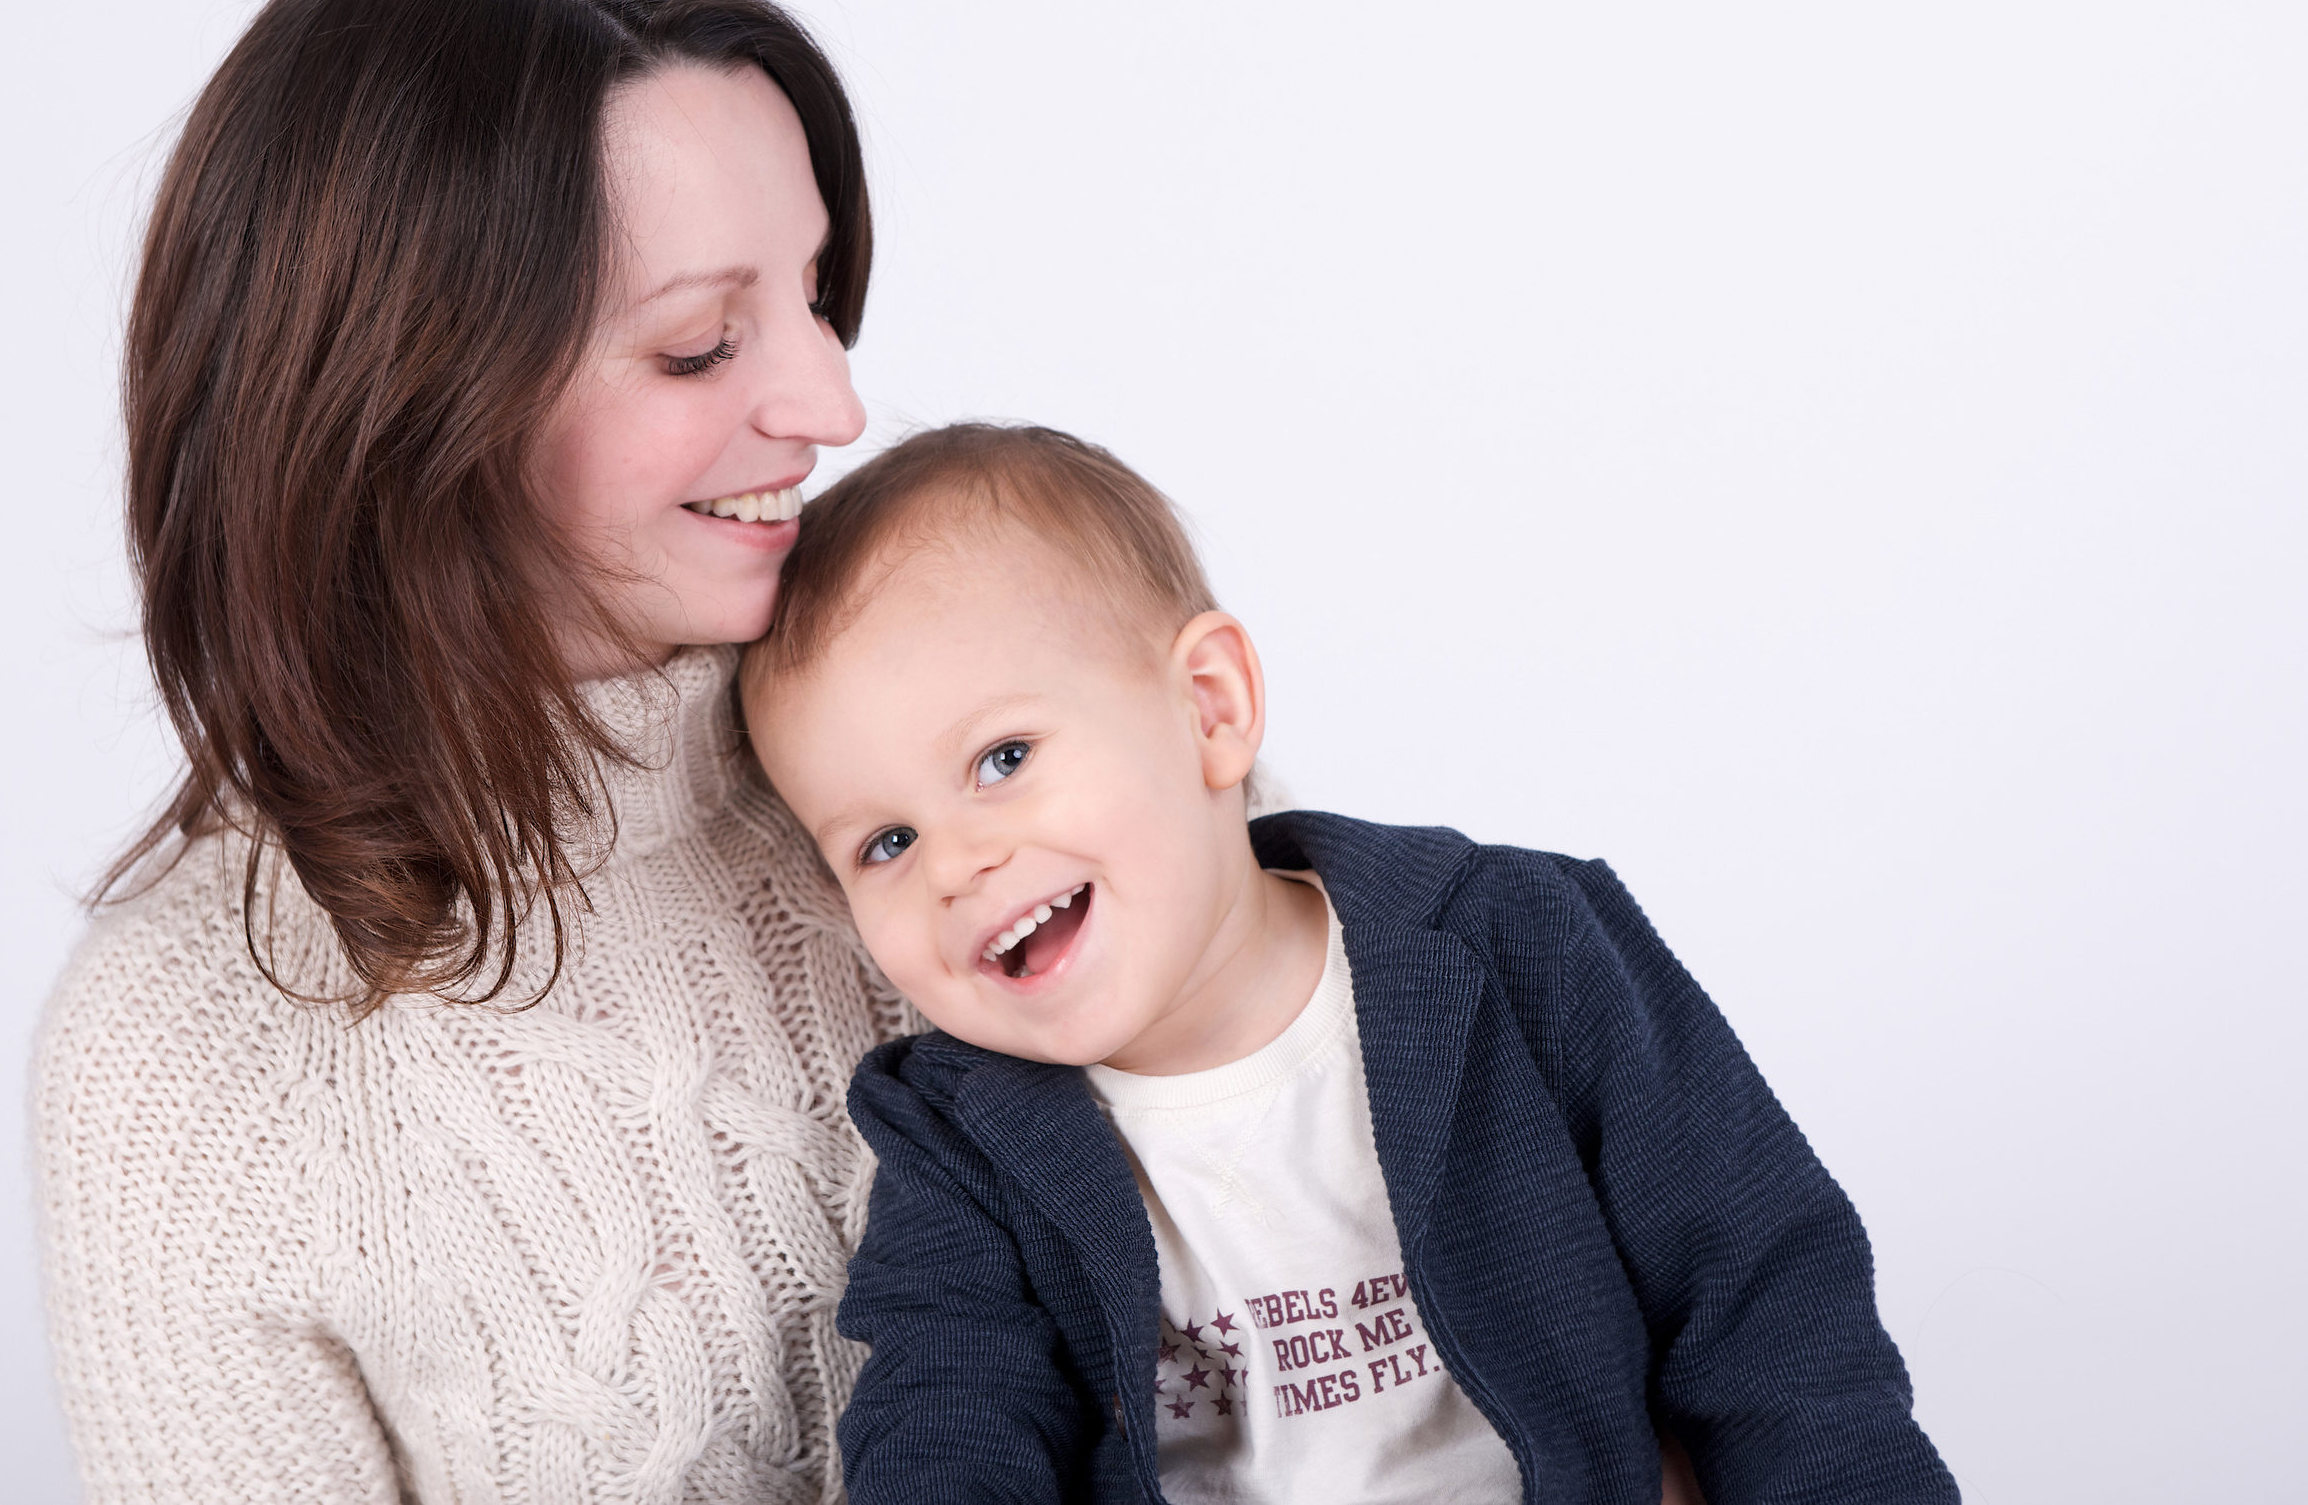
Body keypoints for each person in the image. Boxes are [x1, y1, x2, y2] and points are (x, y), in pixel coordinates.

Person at [34, 0, 918, 1503]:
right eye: (702, 343)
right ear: (413, 401)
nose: (832, 402)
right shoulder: (186, 1060)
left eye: (815, 291)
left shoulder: (985, 721)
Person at [737, 424, 1963, 1505]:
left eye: (1003, 759)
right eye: (884, 843)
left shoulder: (1515, 942)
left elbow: (1760, 1292)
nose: (956, 865)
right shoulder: (959, 1136)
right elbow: (946, 1412)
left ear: (1210, 708)